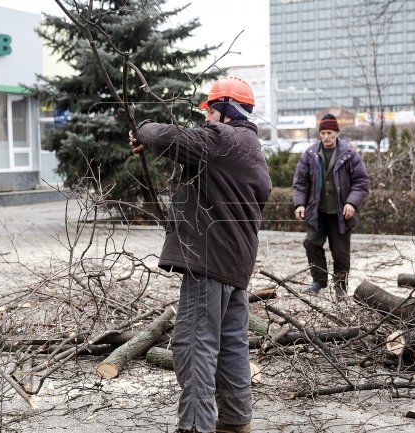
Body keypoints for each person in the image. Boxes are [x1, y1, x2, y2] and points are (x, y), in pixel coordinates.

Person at [128, 76, 271, 433]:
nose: (205, 117)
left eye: (210, 110)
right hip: (236, 266)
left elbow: (168, 137)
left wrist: (141, 128)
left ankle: (195, 426)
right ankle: (236, 422)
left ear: (224, 110)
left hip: (208, 261)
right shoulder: (251, 147)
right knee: (232, 344)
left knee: (193, 344)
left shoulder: (223, 141)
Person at [292, 113, 370, 299]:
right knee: (311, 243)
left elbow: (361, 181)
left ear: (337, 133)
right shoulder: (310, 154)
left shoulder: (349, 154)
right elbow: (301, 182)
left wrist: (352, 203)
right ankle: (319, 281)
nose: (326, 137)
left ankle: (340, 287)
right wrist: (300, 204)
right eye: (323, 133)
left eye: (330, 133)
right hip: (317, 212)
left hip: (341, 214)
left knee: (340, 252)